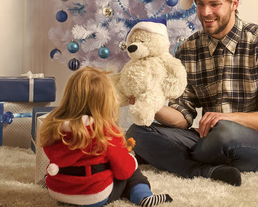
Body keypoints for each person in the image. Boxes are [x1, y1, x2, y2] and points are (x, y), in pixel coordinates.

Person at [126, 0, 258, 187]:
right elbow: (182, 117)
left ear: (234, 3)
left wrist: (229, 118)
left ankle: (176, 158)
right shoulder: (188, 49)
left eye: (215, 4)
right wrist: (149, 103)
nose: (205, 13)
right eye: (200, 4)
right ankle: (206, 171)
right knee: (137, 132)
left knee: (224, 133)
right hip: (209, 139)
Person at [39, 66, 172, 207]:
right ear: (105, 102)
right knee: (131, 168)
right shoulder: (104, 130)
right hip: (93, 197)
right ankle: (143, 196)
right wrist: (127, 159)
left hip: (59, 192)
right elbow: (123, 171)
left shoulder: (52, 125)